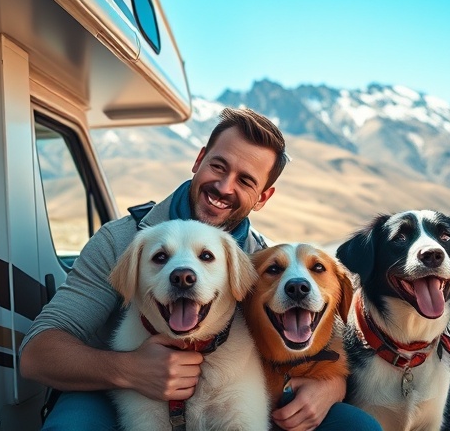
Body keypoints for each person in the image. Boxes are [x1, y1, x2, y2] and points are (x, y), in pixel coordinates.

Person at [19, 108, 379, 431]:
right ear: (199, 159)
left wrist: (331, 386)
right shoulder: (122, 240)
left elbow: (313, 337)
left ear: (263, 197)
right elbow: (37, 353)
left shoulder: (263, 261)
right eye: (218, 166)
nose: (224, 187)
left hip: (227, 391)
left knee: (356, 426)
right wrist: (128, 370)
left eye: (246, 180)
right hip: (107, 385)